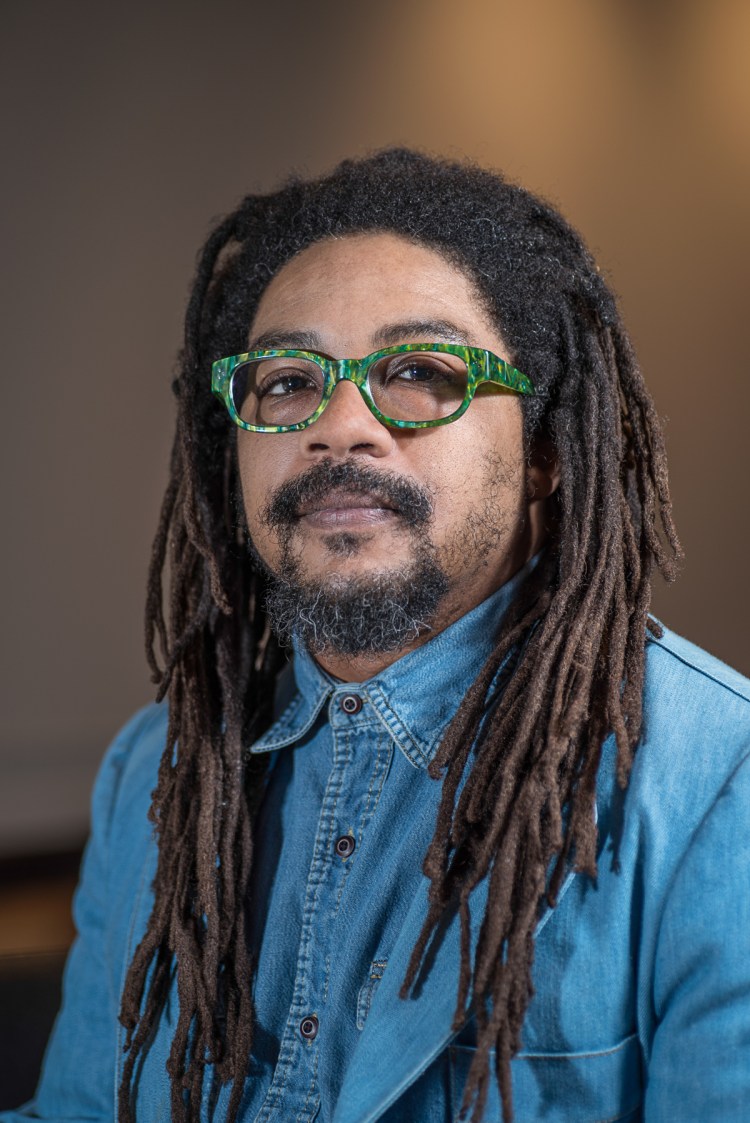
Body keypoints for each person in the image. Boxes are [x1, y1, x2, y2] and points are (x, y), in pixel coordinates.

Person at [5, 148, 749, 1123]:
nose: (340, 426)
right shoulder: (157, 769)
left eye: (419, 371)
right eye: (286, 381)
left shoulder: (719, 782)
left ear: (544, 453)